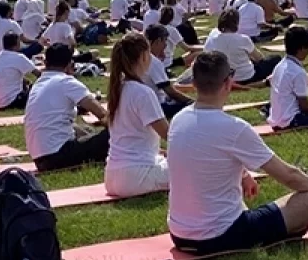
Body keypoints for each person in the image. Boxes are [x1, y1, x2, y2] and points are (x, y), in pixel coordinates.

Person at [166, 51, 308, 256]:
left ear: (194, 83)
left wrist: (245, 175)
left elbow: (203, 155)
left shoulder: (178, 120)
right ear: (229, 83)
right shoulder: (234, 128)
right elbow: (288, 175)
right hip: (219, 236)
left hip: (179, 234)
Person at [102, 33, 170, 199]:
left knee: (163, 158)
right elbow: (169, 134)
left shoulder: (118, 89)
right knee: (197, 164)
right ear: (144, 56)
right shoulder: (143, 92)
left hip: (112, 176)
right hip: (136, 177)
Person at [23, 44, 110, 172]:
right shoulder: (67, 82)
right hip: (59, 156)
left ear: (46, 63)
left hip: (40, 159)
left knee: (84, 129)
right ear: (70, 64)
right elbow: (103, 115)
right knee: (115, 133)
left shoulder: (38, 84)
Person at [209, 9, 280, 85]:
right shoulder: (243, 39)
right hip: (246, 77)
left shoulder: (214, 39)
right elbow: (259, 58)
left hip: (224, 76)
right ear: (237, 22)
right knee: (275, 59)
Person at [144, 25, 193, 118]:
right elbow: (171, 92)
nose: (166, 45)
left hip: (142, 106)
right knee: (189, 107)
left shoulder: (141, 57)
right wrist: (192, 102)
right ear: (158, 41)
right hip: (156, 107)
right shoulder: (153, 61)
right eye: (165, 40)